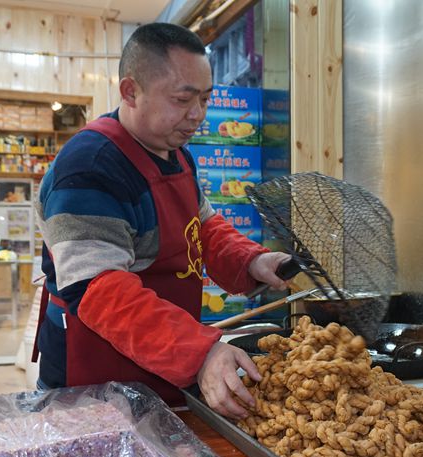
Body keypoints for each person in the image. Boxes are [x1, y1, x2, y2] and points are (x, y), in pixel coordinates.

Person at [34, 22, 290, 419]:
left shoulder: (176, 152)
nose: (198, 115)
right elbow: (99, 291)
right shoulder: (87, 169)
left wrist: (252, 261)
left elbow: (202, 227)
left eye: (205, 99)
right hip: (94, 379)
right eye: (182, 100)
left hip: (162, 362)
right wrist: (200, 352)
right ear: (130, 91)